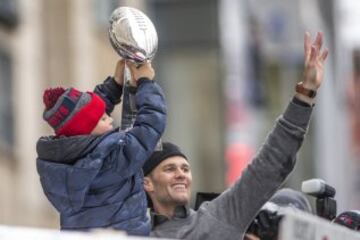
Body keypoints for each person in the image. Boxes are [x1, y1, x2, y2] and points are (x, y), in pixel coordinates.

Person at [142, 32, 328, 239]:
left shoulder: (217, 217)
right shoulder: (133, 234)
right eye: (169, 169)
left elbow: (268, 167)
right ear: (147, 183)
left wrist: (306, 94)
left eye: (185, 168)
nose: (181, 174)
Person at [36, 59, 166, 236]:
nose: (111, 119)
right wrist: (146, 82)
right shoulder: (112, 158)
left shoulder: (62, 159)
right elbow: (150, 126)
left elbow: (88, 116)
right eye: (104, 118)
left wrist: (114, 85)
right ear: (88, 131)